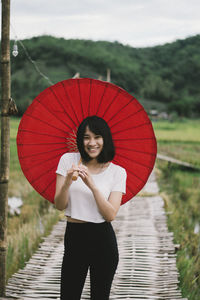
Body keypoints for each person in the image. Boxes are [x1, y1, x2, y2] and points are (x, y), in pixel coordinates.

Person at [54, 115, 127, 300]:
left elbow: (110, 214)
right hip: (74, 236)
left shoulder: (117, 172)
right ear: (80, 139)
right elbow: (60, 205)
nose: (92, 142)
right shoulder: (68, 160)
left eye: (97, 137)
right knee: (69, 296)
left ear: (105, 139)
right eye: (86, 137)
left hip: (103, 239)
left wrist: (92, 185)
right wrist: (67, 182)